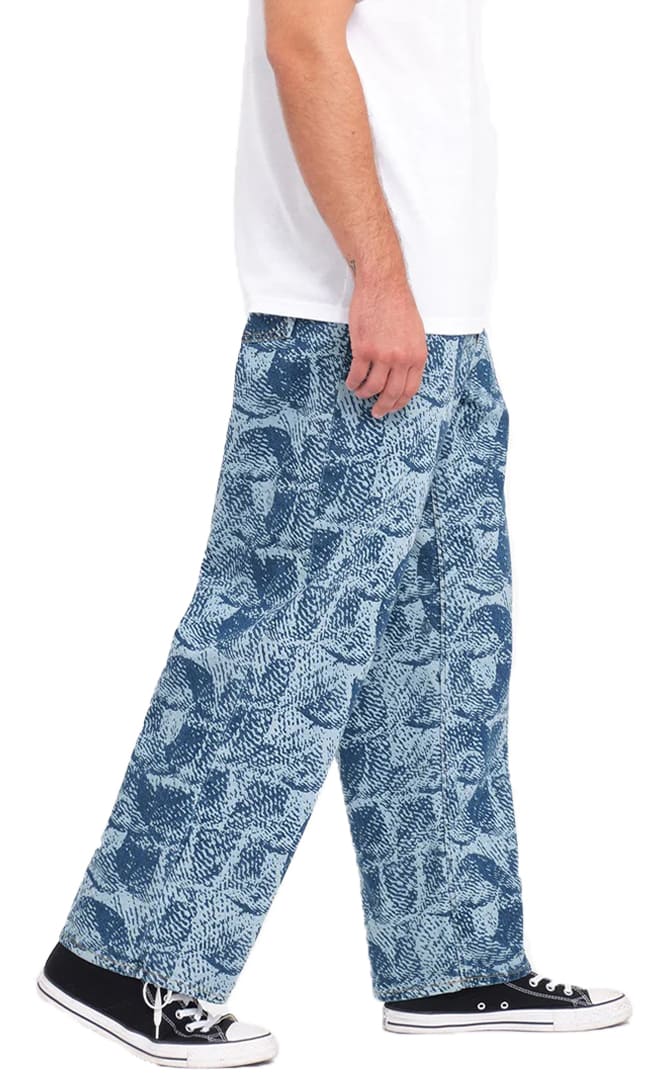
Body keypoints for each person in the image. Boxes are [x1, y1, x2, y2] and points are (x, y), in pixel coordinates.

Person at [37, 0, 631, 1067]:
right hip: (348, 326)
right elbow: (301, 43)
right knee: (276, 645)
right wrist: (379, 277)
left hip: (440, 325)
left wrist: (422, 295)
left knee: (437, 656)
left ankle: (451, 960)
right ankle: (122, 956)